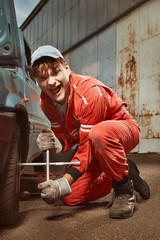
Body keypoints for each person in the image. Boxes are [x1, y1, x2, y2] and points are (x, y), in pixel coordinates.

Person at [31, 45, 150, 219]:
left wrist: (63, 182)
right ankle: (125, 172)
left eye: (55, 73)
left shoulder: (89, 91)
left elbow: (86, 146)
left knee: (99, 133)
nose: (50, 82)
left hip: (122, 131)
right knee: (71, 196)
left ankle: (124, 190)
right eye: (43, 78)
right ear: (36, 81)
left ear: (66, 68)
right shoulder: (46, 102)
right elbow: (66, 135)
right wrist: (56, 143)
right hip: (95, 145)